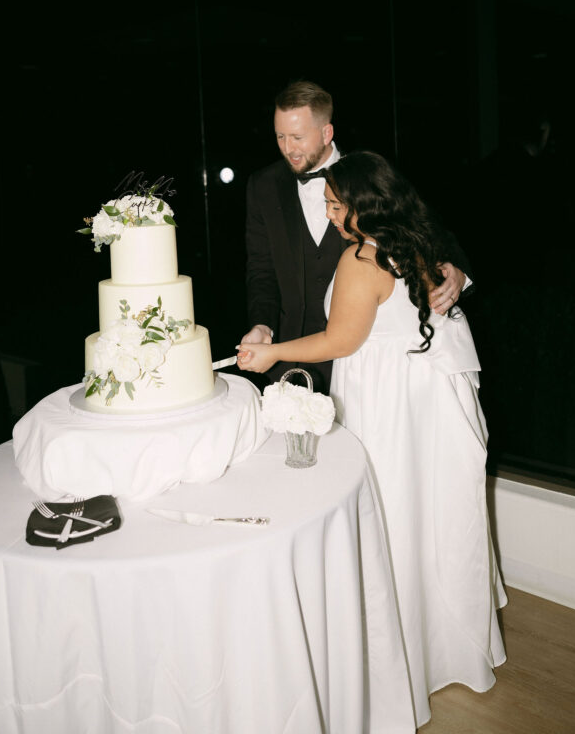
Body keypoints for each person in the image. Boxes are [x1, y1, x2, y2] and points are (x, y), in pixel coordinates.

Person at [237, 151, 506, 728]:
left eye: (338, 205)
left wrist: (273, 352)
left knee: (393, 518)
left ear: (365, 204)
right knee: (431, 517)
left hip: (391, 402)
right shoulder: (414, 234)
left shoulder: (362, 258)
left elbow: (340, 341)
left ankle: (398, 657)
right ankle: (444, 645)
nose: (332, 215)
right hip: (431, 396)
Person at [242, 80, 469, 392]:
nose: (287, 148)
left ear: (326, 133)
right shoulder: (262, 186)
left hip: (366, 362)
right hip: (289, 359)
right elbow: (261, 269)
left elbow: (429, 232)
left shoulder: (368, 174)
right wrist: (262, 325)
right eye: (280, 136)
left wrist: (456, 272)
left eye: (297, 137)